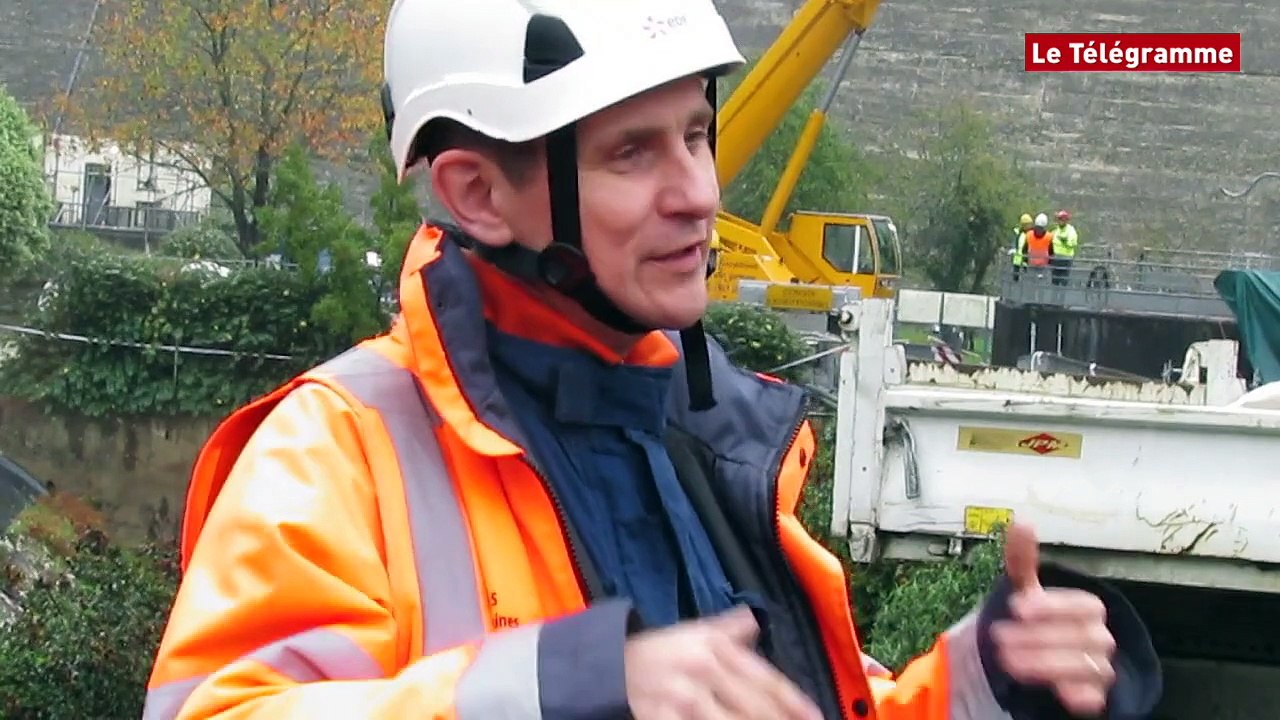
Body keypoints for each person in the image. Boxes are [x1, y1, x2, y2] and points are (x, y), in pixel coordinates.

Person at [141, 2, 1162, 719]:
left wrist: (987, 679)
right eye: (631, 153)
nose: (699, 193)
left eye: (695, 135)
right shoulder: (337, 453)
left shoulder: (703, 435)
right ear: (477, 193)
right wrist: (563, 690)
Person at [1020, 213, 1055, 279]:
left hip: (1042, 267)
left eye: (1040, 228)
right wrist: (1025, 262)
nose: (1039, 230)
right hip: (1033, 266)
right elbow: (1024, 250)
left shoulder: (1048, 236)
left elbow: (1051, 252)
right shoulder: (1030, 235)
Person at [1051, 210, 1080, 286]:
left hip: (1066, 259)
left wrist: (1065, 241)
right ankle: (1055, 296)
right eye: (1060, 219)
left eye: (1063, 219)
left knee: (1064, 280)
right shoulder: (1056, 230)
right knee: (1055, 280)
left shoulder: (1071, 230)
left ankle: (1062, 297)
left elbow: (1073, 243)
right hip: (1056, 258)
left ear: (1066, 220)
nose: (1061, 221)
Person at [1010, 213, 1034, 281]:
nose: (1027, 226)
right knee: (1015, 279)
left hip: (1027, 260)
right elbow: (1015, 244)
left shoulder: (1032, 234)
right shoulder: (1019, 233)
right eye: (1025, 224)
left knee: (1027, 278)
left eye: (1028, 224)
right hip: (1017, 260)